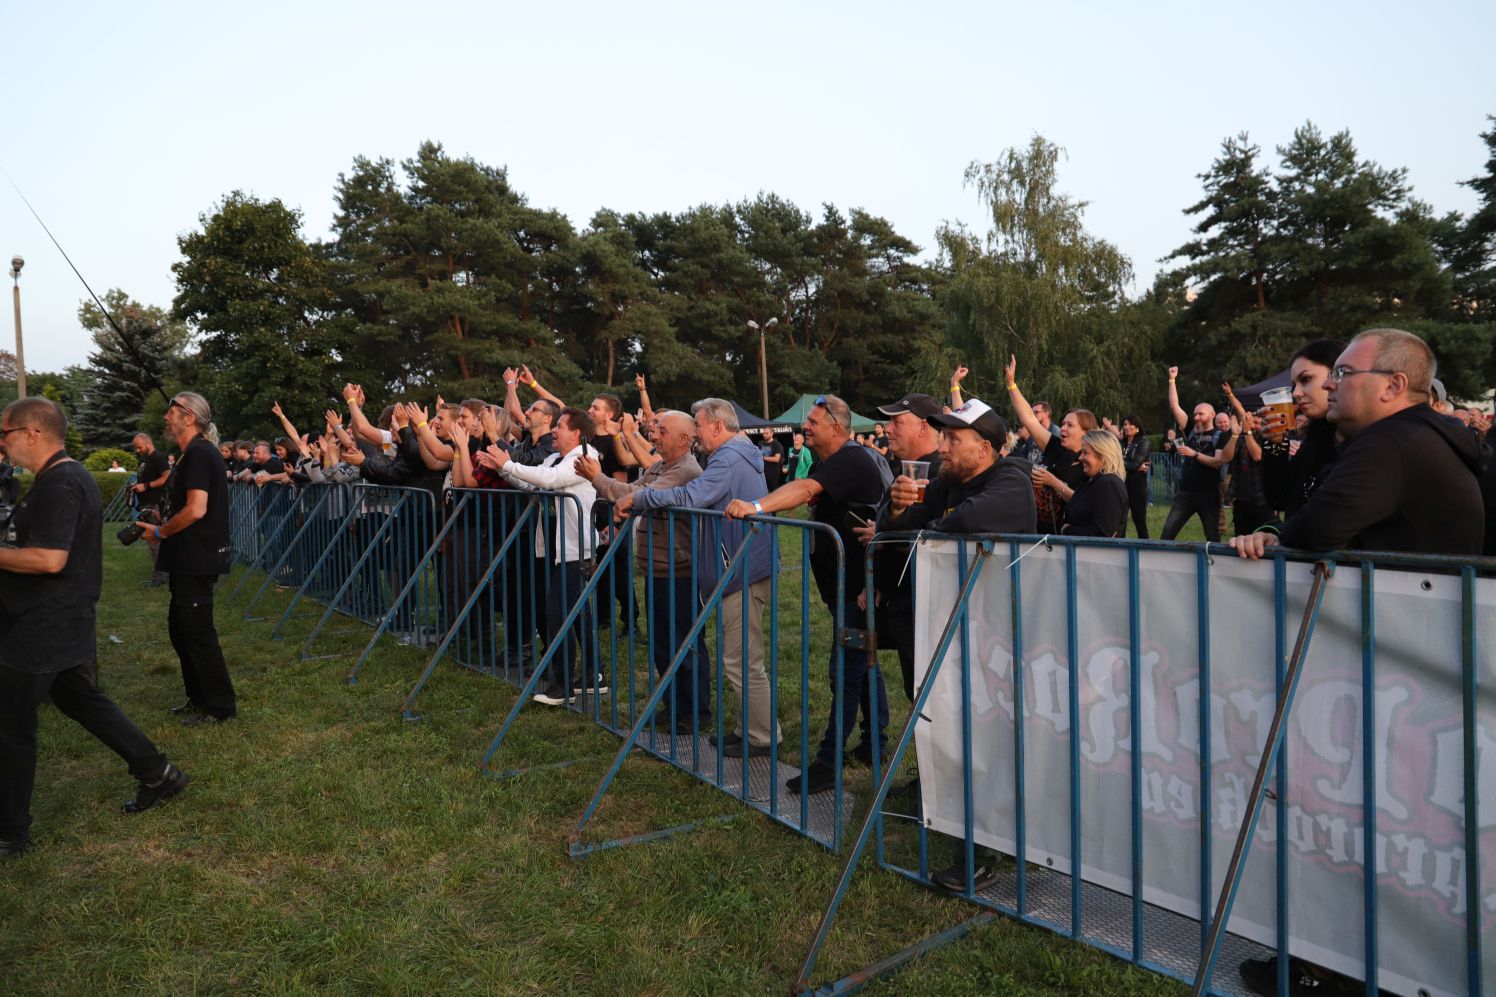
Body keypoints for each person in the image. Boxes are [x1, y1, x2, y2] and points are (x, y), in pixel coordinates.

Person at [0, 399, 190, 857]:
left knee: (10, 729)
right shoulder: (64, 476)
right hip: (59, 619)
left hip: (41, 624)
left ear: (31, 433)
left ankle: (9, 834)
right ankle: (157, 772)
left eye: (4, 434)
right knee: (84, 702)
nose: (2, 445)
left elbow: (49, 558)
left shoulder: (62, 481)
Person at [878, 397, 1036, 892]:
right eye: (943, 436)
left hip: (1002, 634)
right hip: (956, 624)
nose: (942, 446)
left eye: (953, 439)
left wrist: (925, 527)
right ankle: (946, 805)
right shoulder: (948, 479)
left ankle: (985, 852)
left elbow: (968, 520)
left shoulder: (1011, 475)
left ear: (985, 447)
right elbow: (906, 526)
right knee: (951, 722)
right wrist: (902, 508)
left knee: (991, 735)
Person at [727, 394, 889, 793]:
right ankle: (874, 743)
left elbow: (803, 490)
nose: (806, 427)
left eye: (814, 421)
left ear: (837, 425)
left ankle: (828, 762)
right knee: (862, 663)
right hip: (846, 585)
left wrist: (756, 506)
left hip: (860, 587)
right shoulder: (829, 460)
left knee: (845, 671)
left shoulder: (851, 459)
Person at [1231, 329, 1485, 560]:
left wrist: (1278, 536)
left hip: (1404, 600)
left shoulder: (1392, 440)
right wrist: (1277, 444)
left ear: (1393, 385)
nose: (1329, 384)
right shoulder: (1404, 434)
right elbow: (1285, 499)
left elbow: (1317, 528)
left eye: (1341, 373)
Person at [620, 399, 778, 757]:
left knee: (741, 660)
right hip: (742, 563)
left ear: (718, 427)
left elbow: (694, 494)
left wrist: (641, 498)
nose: (697, 435)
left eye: (700, 427)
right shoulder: (738, 452)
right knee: (739, 656)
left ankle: (763, 737)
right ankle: (749, 729)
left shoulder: (727, 456)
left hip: (741, 565)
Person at [577, 411, 709, 732]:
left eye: (663, 430)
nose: (655, 434)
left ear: (683, 439)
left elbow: (634, 496)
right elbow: (634, 488)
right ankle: (674, 705)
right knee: (663, 643)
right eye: (656, 429)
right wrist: (606, 483)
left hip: (681, 570)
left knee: (684, 643)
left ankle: (693, 713)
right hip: (659, 568)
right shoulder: (661, 466)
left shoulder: (686, 470)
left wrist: (598, 478)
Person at [483, 407, 603, 705]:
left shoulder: (584, 458)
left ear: (576, 433)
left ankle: (564, 685)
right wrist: (502, 467)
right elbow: (533, 482)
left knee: (558, 614)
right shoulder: (553, 457)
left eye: (560, 426)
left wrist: (508, 463)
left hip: (576, 550)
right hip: (555, 548)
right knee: (575, 614)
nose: (554, 431)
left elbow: (550, 480)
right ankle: (592, 674)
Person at [146, 392, 236, 725]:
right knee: (180, 630)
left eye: (171, 411)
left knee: (197, 634)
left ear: (189, 418)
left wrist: (160, 533)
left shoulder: (199, 453)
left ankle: (220, 707)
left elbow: (196, 509)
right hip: (186, 557)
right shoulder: (189, 456)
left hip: (197, 556)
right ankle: (199, 699)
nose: (166, 417)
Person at [864, 392, 945, 705]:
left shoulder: (937, 472)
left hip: (924, 603)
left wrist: (883, 536)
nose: (888, 429)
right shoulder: (907, 469)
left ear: (924, 427)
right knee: (918, 695)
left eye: (898, 421)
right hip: (903, 598)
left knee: (930, 699)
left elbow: (926, 533)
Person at [1004, 355, 1098, 533]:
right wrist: (1011, 384)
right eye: (1062, 423)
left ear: (1086, 432)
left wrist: (1053, 482)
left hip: (1065, 536)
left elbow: (1085, 503)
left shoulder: (1093, 464)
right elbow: (1030, 420)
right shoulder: (1057, 447)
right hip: (1037, 530)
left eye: (1070, 425)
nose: (1062, 428)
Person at [1161, 366, 1228, 541]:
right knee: (1167, 534)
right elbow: (1175, 406)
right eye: (1195, 414)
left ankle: (1214, 566)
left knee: (1213, 537)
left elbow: (1217, 462)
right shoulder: (1191, 429)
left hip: (1209, 494)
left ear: (1212, 415)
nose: (1196, 417)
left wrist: (1194, 454)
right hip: (1186, 493)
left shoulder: (1220, 435)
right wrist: (1172, 380)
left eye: (1201, 414)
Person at [1061, 430, 1128, 537]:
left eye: (1085, 452)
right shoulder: (1091, 480)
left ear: (1103, 454)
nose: (1080, 457)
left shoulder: (1108, 484)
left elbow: (1103, 535)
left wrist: (1067, 530)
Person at [132, 432, 172, 587]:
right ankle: (163, 573)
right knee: (154, 541)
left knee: (154, 540)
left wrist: (146, 486)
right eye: (135, 448)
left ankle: (160, 576)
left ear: (148, 443)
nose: (137, 451)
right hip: (146, 503)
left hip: (155, 504)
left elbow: (166, 477)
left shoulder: (158, 458)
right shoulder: (145, 459)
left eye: (139, 447)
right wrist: (136, 487)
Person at [1119, 416, 1150, 538]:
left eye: (1130, 424)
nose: (1127, 427)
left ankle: (1146, 549)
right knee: (1120, 521)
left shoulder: (1144, 441)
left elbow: (1135, 464)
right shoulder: (1121, 442)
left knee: (1139, 521)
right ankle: (1120, 548)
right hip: (1121, 484)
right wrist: (1133, 466)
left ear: (1137, 427)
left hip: (1136, 486)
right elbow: (1133, 465)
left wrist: (1121, 463)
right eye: (1125, 424)